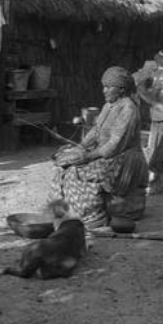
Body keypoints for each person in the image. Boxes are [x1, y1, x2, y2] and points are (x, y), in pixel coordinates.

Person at [50, 66, 149, 228]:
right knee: (63, 166)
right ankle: (66, 211)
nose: (104, 91)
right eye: (103, 86)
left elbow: (115, 144)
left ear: (121, 89)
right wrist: (80, 148)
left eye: (108, 87)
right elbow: (95, 132)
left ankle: (95, 215)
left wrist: (87, 157)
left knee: (77, 170)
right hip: (105, 155)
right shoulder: (107, 106)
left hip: (123, 160)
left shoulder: (128, 109)